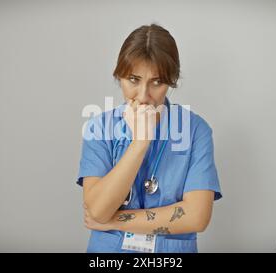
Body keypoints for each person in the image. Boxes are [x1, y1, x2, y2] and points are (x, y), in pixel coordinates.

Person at [76, 23, 222, 253]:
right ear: (119, 76)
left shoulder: (196, 130)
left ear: (171, 82)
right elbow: (97, 209)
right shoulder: (99, 128)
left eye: (157, 82)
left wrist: (113, 221)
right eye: (133, 79)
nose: (143, 96)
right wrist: (140, 143)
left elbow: (197, 217)